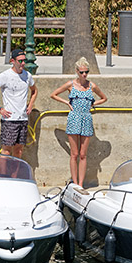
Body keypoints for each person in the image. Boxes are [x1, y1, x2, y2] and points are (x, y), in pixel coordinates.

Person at [49, 57, 107, 187]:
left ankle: (81, 184)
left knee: (83, 154)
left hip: (86, 118)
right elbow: (54, 94)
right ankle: (75, 183)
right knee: (74, 154)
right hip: (74, 118)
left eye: (86, 72)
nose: (84, 74)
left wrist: (92, 104)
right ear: (77, 71)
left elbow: (104, 98)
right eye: (81, 72)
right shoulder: (71, 84)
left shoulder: (92, 86)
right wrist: (67, 103)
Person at [0, 49, 38, 169]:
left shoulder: (27, 76)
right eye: (20, 61)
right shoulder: (5, 76)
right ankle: (4, 175)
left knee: (19, 150)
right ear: (13, 61)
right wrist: (0, 108)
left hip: (22, 119)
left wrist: (30, 105)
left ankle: (15, 176)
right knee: (6, 150)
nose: (23, 63)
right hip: (9, 120)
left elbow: (34, 90)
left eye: (24, 60)